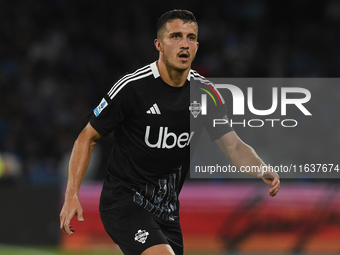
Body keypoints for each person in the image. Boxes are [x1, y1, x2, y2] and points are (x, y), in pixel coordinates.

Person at [60, 9, 280, 255]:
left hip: (167, 212)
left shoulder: (206, 94)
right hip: (123, 203)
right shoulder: (133, 87)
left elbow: (233, 146)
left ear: (197, 46)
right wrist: (71, 195)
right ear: (159, 45)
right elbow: (86, 137)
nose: (184, 44)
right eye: (175, 36)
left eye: (190, 37)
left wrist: (260, 167)